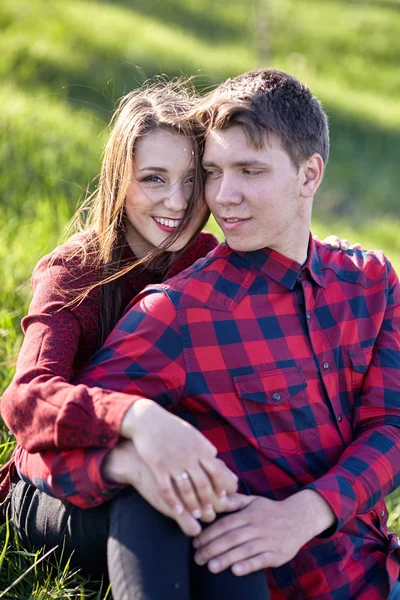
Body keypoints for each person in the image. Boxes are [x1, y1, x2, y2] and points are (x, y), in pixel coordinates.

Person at [11, 67, 400, 599]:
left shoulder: (366, 279)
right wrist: (133, 435)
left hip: (378, 567)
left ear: (310, 175)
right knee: (159, 505)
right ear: (119, 179)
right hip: (260, 568)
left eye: (242, 171)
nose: (212, 197)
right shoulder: (150, 301)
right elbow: (33, 421)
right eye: (214, 171)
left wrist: (305, 514)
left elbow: (391, 424)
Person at [0, 79, 269, 599]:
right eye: (153, 178)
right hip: (54, 486)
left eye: (193, 181)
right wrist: (135, 421)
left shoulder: (212, 263)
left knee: (218, 514)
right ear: (119, 180)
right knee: (156, 499)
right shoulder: (76, 272)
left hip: (172, 473)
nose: (176, 201)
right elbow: (27, 397)